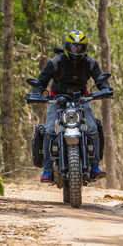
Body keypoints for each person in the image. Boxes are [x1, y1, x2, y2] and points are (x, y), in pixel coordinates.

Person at [32, 30, 110, 183]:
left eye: (79, 47)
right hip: (56, 98)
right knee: (49, 130)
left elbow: (100, 81)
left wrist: (105, 89)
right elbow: (42, 81)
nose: (76, 50)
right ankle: (47, 169)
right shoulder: (56, 62)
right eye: (73, 47)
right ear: (67, 46)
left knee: (93, 128)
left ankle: (94, 167)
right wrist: (37, 92)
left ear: (84, 48)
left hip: (81, 98)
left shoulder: (90, 63)